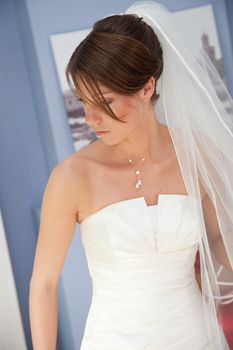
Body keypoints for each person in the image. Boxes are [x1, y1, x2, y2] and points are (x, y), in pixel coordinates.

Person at [29, 1, 233, 349]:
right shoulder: (71, 177)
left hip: (198, 336)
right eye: (82, 101)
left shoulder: (197, 153)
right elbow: (44, 284)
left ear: (147, 87)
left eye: (105, 102)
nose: (91, 119)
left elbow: (219, 240)